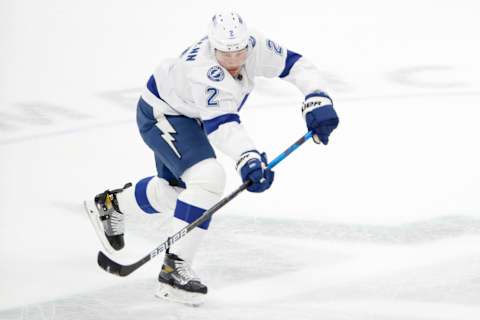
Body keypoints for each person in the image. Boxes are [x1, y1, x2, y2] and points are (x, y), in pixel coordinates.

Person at [86, 11, 339, 305]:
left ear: (247, 44)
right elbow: (222, 125)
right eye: (224, 53)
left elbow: (296, 65)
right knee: (208, 178)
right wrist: (248, 158)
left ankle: (111, 205)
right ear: (211, 45)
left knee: (181, 194)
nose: (233, 61)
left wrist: (317, 96)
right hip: (164, 113)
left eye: (239, 52)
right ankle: (173, 269)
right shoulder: (205, 73)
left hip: (188, 113)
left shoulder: (254, 44)